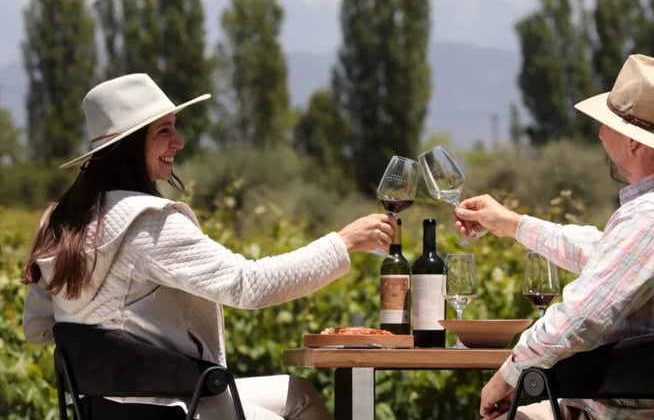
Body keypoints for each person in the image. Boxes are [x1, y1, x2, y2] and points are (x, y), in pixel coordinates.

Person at [22, 73, 396, 420]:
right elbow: (249, 285)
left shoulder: (59, 222)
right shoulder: (148, 222)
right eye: (164, 131)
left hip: (101, 411)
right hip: (172, 409)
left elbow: (39, 328)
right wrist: (343, 243)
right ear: (131, 146)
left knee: (298, 392)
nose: (179, 142)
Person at [455, 54, 654, 420]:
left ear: (634, 142)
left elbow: (576, 321)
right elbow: (606, 255)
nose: (600, 134)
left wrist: (507, 376)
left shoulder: (652, 216)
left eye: (609, 125)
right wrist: (510, 223)